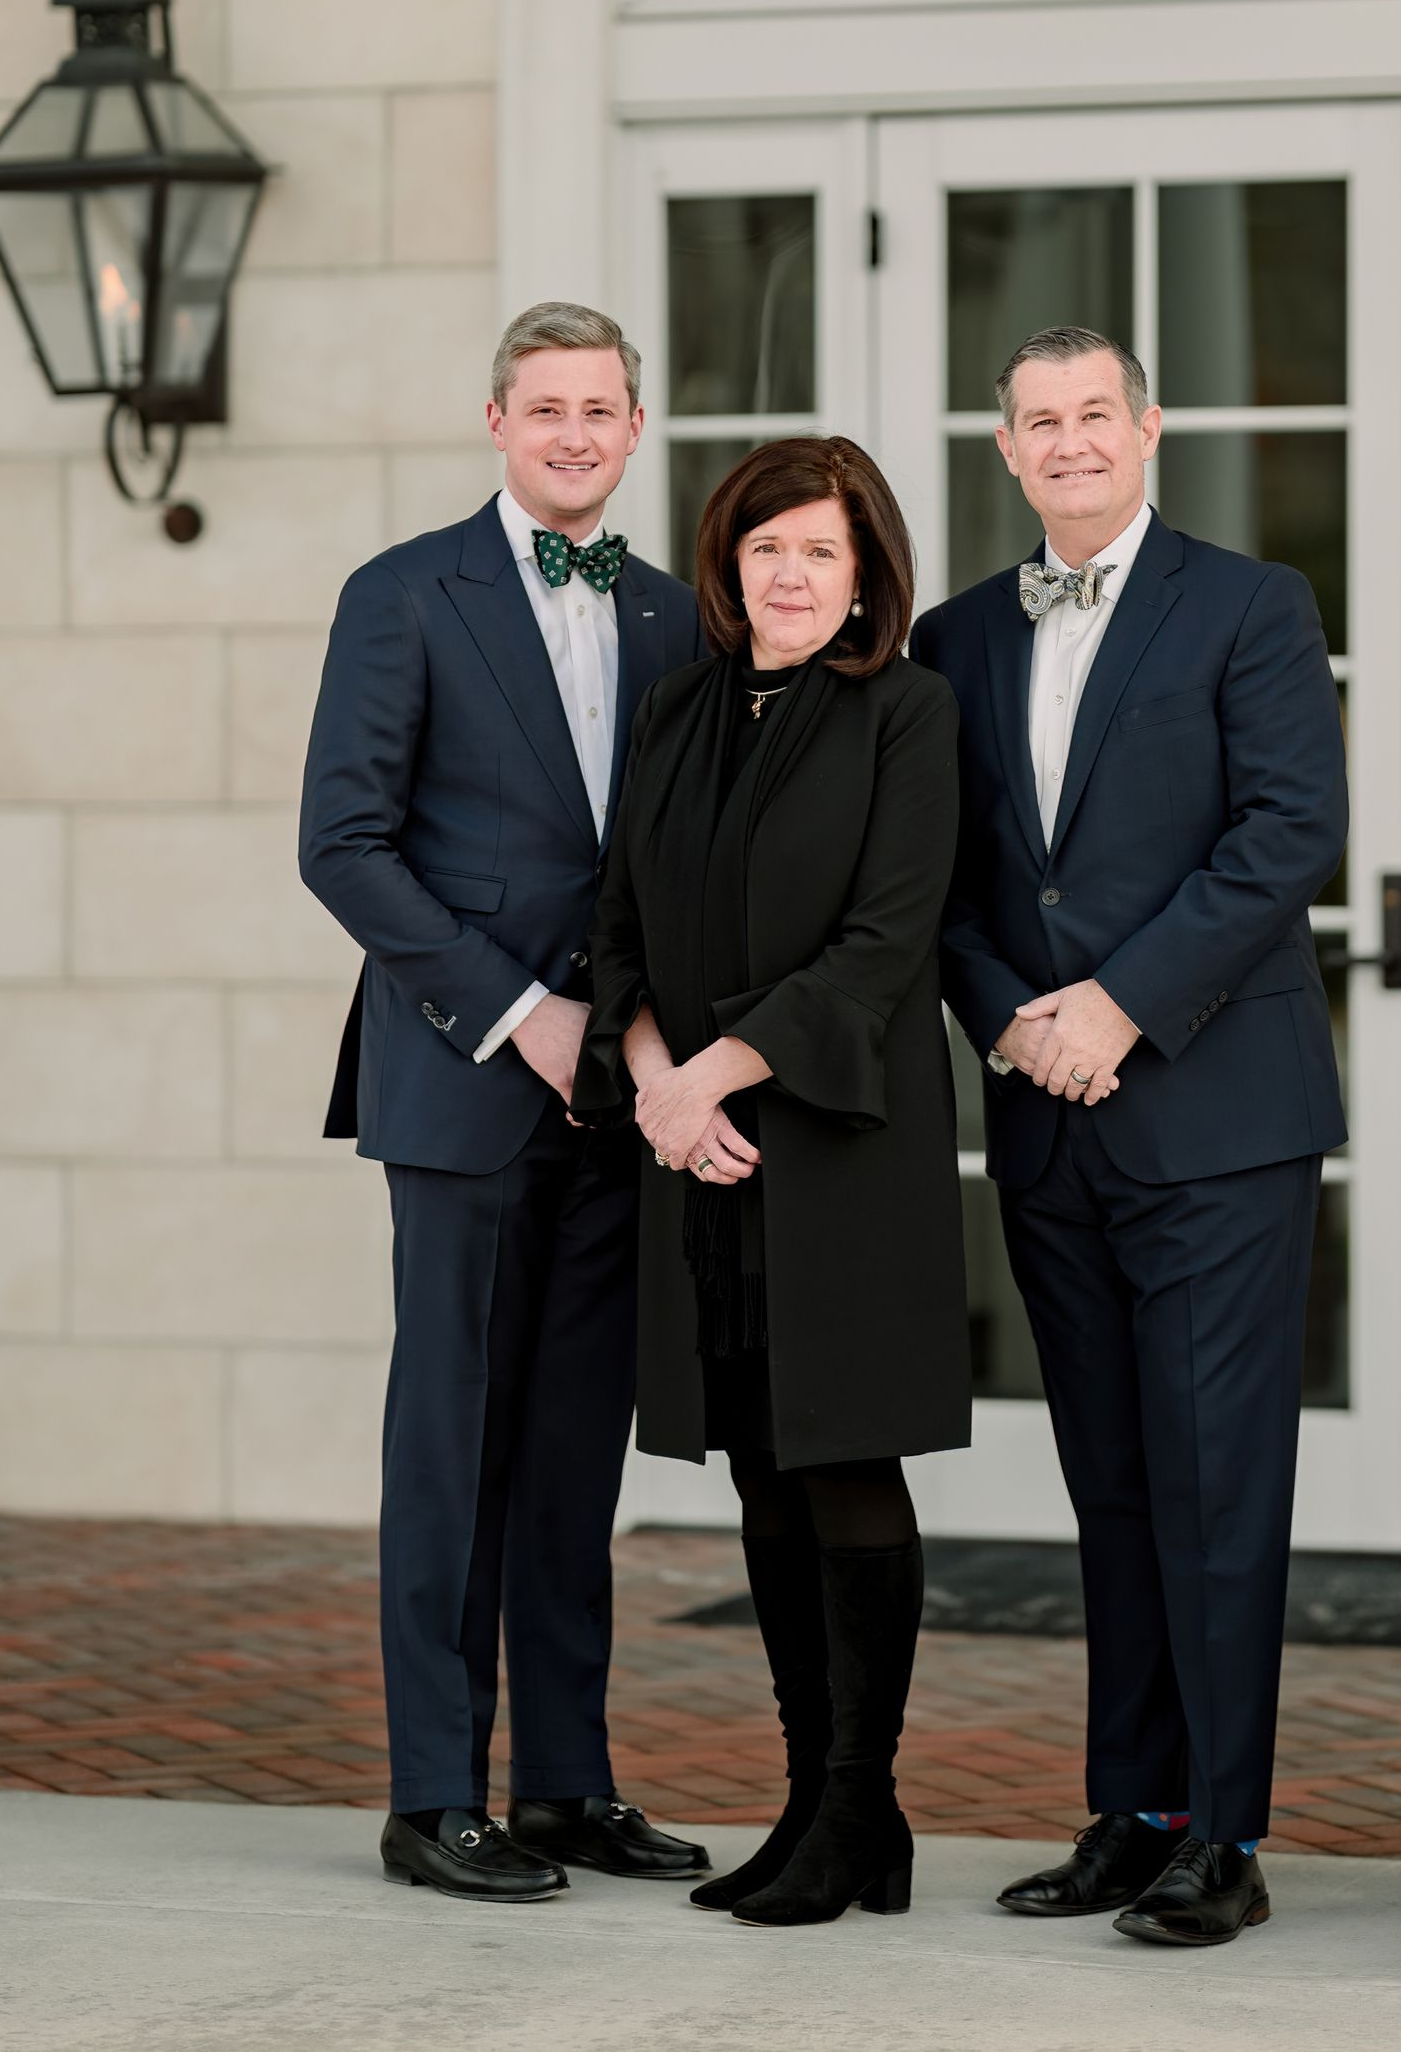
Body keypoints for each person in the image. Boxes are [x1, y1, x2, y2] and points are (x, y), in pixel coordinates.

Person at [910, 326, 1347, 1947]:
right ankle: (1135, 1809)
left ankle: (1224, 1837)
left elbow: (1287, 829)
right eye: (1043, 420)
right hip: (1046, 1119)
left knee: (1217, 1484)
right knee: (1111, 1486)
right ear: (1006, 450)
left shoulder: (1251, 606)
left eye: (1100, 413)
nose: (1073, 441)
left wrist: (1120, 1007)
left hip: (1216, 1115)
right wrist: (1016, 1019)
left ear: (1148, 432)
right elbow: (943, 881)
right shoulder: (956, 640)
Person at [298, 302, 708, 1902]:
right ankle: (427, 1793)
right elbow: (344, 843)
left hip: (619, 1102)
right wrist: (520, 1012)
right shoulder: (402, 595)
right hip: (462, 1084)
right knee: (451, 1441)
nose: (574, 435)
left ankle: (565, 1785)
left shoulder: (674, 617)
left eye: (600, 409)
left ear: (634, 425)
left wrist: (641, 1040)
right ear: (495, 422)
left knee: (571, 1457)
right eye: (545, 409)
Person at [571, 434, 970, 1929]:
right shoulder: (676, 714)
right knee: (757, 1463)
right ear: (727, 566)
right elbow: (618, 927)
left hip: (834, 1145)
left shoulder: (909, 716)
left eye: (819, 549)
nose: (790, 574)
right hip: (704, 1150)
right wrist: (659, 1076)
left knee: (843, 1459)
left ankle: (864, 1803)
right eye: (765, 548)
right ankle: (814, 1800)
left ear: (865, 571)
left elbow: (884, 945)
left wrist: (704, 1081)